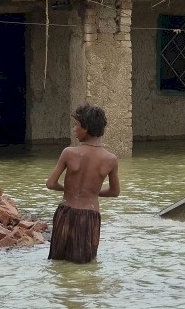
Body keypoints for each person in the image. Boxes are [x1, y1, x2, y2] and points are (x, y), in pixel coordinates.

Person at [46, 103, 120, 263]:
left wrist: (69, 189)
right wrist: (93, 192)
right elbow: (115, 192)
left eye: (76, 125)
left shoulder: (69, 153)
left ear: (85, 128)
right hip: (89, 217)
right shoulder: (110, 159)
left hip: (64, 213)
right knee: (84, 266)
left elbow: (51, 184)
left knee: (58, 263)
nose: (74, 129)